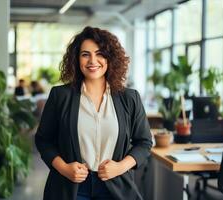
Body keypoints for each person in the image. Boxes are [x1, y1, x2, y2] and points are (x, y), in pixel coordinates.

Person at [35, 26, 152, 200]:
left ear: (110, 58)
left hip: (115, 187)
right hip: (70, 187)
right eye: (85, 54)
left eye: (100, 54)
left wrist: (120, 167)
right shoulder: (60, 96)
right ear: (76, 59)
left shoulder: (129, 98)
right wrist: (65, 169)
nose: (92, 60)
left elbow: (144, 142)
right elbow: (44, 140)